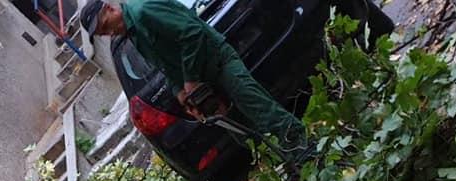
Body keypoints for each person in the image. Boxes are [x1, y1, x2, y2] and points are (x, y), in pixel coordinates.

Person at [81, 0, 313, 166]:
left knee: (261, 110)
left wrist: (191, 79)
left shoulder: (145, 11)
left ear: (110, 8)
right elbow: (165, 64)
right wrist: (179, 91)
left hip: (218, 63)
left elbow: (191, 33)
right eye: (102, 33)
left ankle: (308, 153)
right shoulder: (134, 34)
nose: (108, 33)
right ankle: (287, 163)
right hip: (205, 83)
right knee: (243, 132)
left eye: (105, 26)